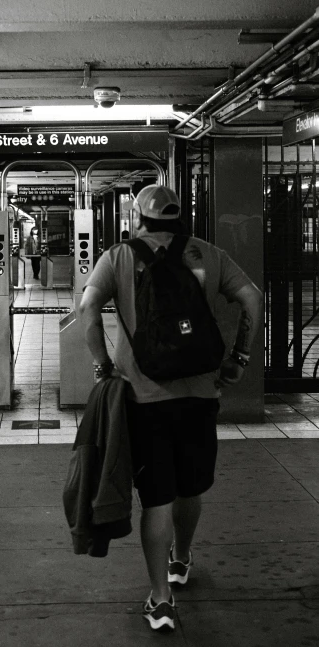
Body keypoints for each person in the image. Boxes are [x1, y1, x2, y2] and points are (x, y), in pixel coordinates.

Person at [79, 185, 263, 633]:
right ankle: (181, 560)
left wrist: (103, 367)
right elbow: (253, 298)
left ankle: (161, 601)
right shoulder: (208, 254)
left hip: (144, 399)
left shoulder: (118, 256)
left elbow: (87, 310)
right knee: (190, 487)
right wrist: (238, 359)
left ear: (137, 218)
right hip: (200, 395)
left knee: (157, 497)